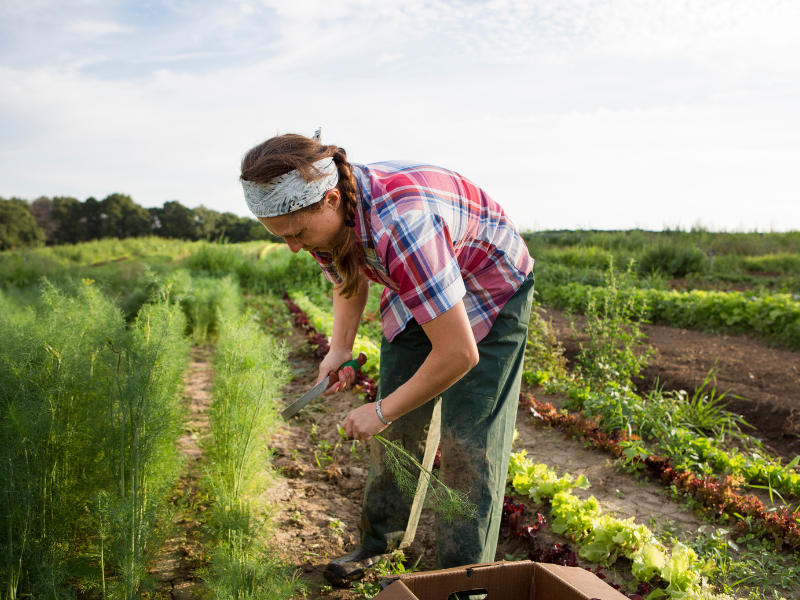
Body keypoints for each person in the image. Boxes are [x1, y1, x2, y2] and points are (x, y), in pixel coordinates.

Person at [240, 130, 534, 585]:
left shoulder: (405, 225)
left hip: (489, 286)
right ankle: (379, 547)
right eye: (281, 237)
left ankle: (461, 580)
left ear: (332, 200)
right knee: (399, 427)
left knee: (467, 444)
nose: (293, 247)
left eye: (296, 234)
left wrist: (380, 409)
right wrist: (339, 348)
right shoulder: (326, 220)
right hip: (419, 284)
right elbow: (347, 273)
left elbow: (457, 353)